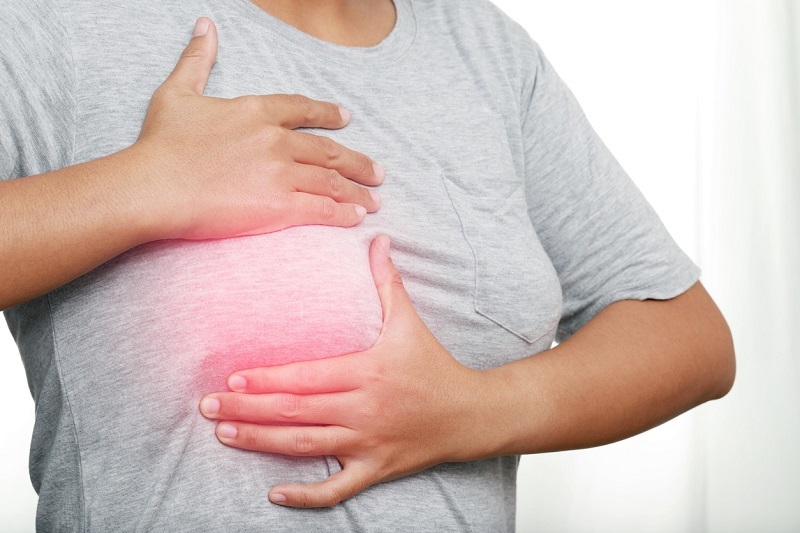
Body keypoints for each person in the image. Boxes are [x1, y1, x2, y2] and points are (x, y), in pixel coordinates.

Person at [0, 0, 735, 531]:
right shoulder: (61, 23)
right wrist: (147, 184)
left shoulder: (484, 48)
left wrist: (473, 411)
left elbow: (687, 336)